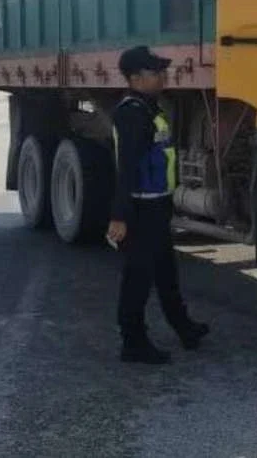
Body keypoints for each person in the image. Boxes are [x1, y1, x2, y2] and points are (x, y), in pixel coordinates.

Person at [107, 45, 209, 365]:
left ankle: (184, 327)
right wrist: (119, 216)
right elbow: (127, 168)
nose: (163, 76)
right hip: (140, 209)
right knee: (138, 277)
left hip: (157, 205)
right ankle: (133, 342)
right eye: (155, 72)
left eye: (162, 71)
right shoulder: (132, 113)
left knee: (166, 272)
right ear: (135, 78)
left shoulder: (149, 108)